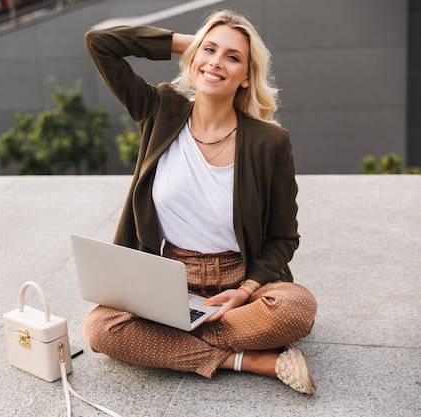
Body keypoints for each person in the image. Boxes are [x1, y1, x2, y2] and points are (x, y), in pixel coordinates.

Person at [82, 9, 318, 394]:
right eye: (209, 50)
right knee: (100, 328)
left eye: (233, 57)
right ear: (192, 59)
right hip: (171, 278)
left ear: (246, 77)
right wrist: (193, 44)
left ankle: (171, 340)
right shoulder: (158, 111)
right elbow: (100, 44)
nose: (216, 62)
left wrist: (244, 292)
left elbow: (283, 238)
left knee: (296, 308)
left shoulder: (269, 143)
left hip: (241, 281)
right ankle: (247, 359)